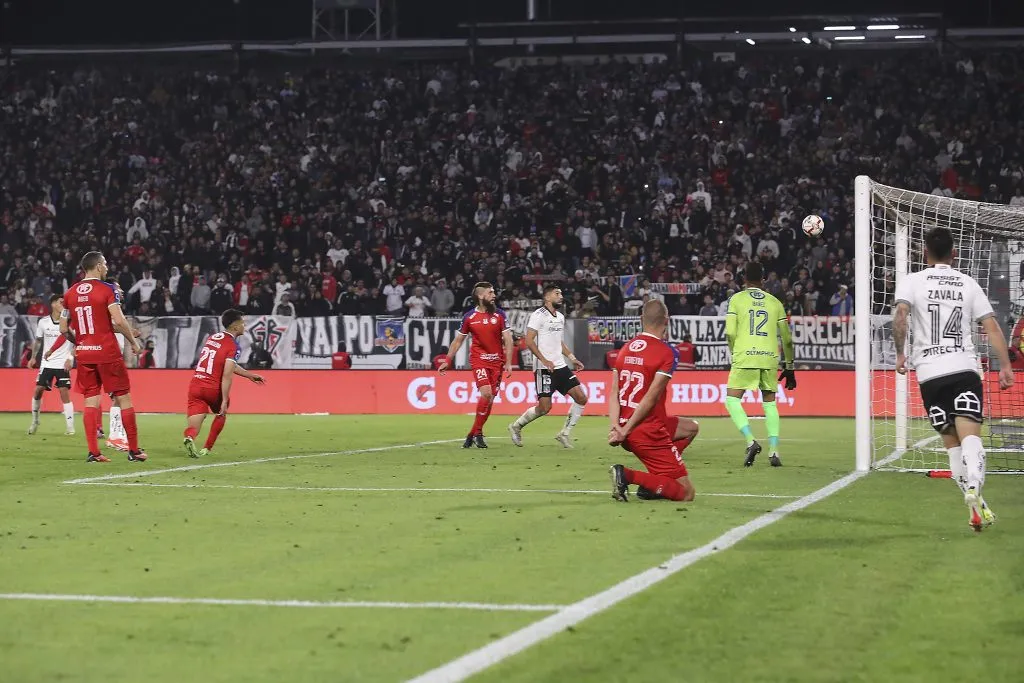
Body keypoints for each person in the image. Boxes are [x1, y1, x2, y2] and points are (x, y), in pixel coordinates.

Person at [893, 227, 1014, 531]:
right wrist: (1004, 366)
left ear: (925, 252)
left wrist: (899, 354)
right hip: (963, 368)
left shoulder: (912, 281)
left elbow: (900, 317)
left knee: (953, 446)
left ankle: (980, 505)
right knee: (971, 436)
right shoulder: (968, 283)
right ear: (954, 253)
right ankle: (974, 486)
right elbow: (992, 327)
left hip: (929, 375)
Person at [46, 252, 146, 463]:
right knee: (124, 397)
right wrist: (134, 342)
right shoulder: (108, 289)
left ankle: (94, 452)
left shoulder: (70, 293)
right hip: (107, 352)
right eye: (106, 264)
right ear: (99, 266)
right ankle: (134, 450)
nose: (107, 268)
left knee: (91, 400)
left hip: (85, 354)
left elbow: (64, 328)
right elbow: (118, 320)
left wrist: (80, 342)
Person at [607, 300, 698, 503]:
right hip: (646, 430)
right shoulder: (667, 353)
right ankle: (627, 476)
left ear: (641, 319)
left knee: (691, 428)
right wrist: (626, 430)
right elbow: (650, 398)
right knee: (686, 493)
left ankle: (657, 481)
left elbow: (613, 392)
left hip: (628, 425)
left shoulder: (625, 349)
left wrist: (616, 427)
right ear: (667, 321)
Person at [724, 262, 796, 467]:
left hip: (745, 356)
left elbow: (730, 333)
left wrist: (734, 353)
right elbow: (788, 340)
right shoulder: (775, 303)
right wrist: (789, 367)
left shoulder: (736, 299)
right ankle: (774, 451)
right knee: (770, 404)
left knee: (732, 400)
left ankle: (750, 441)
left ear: (744, 279)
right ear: (763, 279)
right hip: (768, 357)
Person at [508, 285, 588, 448]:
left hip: (560, 366)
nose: (560, 296)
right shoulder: (538, 315)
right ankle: (516, 426)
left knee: (581, 397)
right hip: (544, 368)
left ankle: (564, 434)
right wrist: (544, 360)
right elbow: (529, 341)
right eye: (556, 294)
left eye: (560, 293)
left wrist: (572, 358)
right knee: (545, 407)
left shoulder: (559, 316)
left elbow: (559, 342)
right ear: (547, 297)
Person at [437, 282, 513, 448]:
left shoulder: (500, 315)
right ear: (480, 296)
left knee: (490, 399)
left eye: (494, 292)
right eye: (490, 292)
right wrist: (447, 360)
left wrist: (508, 362)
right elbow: (458, 341)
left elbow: (508, 339)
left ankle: (473, 433)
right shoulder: (469, 317)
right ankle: (478, 433)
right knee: (486, 393)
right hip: (479, 360)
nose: (494, 295)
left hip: (497, 362)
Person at [184, 309, 266, 458]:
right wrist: (225, 399)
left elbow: (225, 363)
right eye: (242, 323)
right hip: (212, 387)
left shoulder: (213, 337)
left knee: (195, 424)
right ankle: (207, 448)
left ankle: (189, 437)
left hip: (196, 384)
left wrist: (249, 375)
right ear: (235, 327)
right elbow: (227, 374)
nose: (244, 325)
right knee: (222, 412)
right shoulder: (233, 346)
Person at [27, 294, 76, 436]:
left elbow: (76, 341)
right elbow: (38, 340)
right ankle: (35, 420)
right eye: (60, 302)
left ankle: (70, 427)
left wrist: (70, 358)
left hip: (62, 363)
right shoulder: (43, 322)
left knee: (64, 393)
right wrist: (33, 358)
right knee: (38, 390)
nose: (63, 305)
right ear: (53, 304)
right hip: (47, 363)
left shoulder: (69, 322)